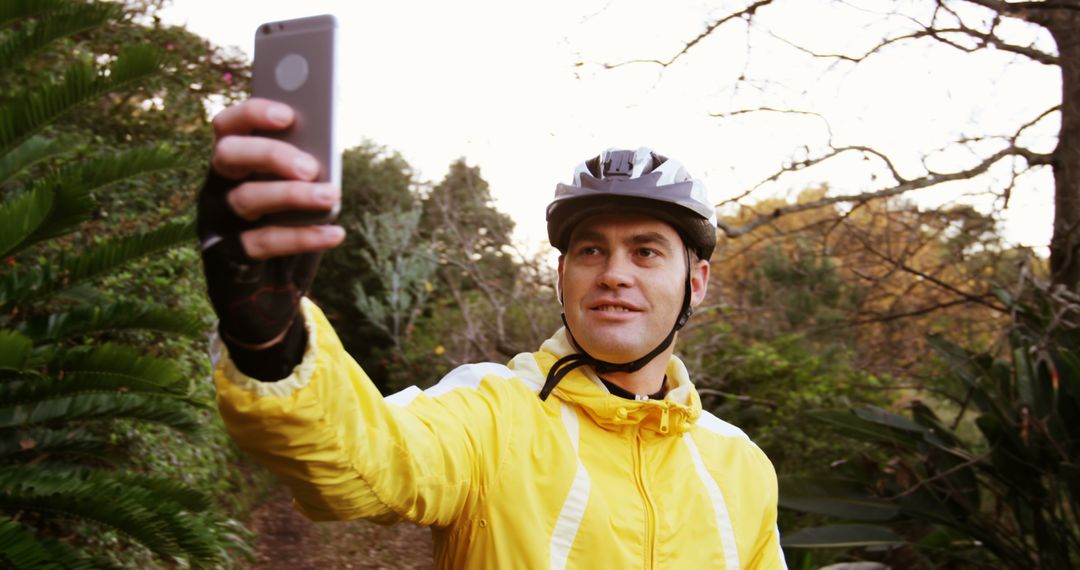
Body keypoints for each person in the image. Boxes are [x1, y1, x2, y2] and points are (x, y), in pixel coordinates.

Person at [200, 98, 786, 569]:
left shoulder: (741, 464)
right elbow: (367, 461)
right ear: (563, 275)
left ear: (697, 281)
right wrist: (271, 343)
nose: (613, 273)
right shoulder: (491, 413)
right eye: (590, 250)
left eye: (646, 252)